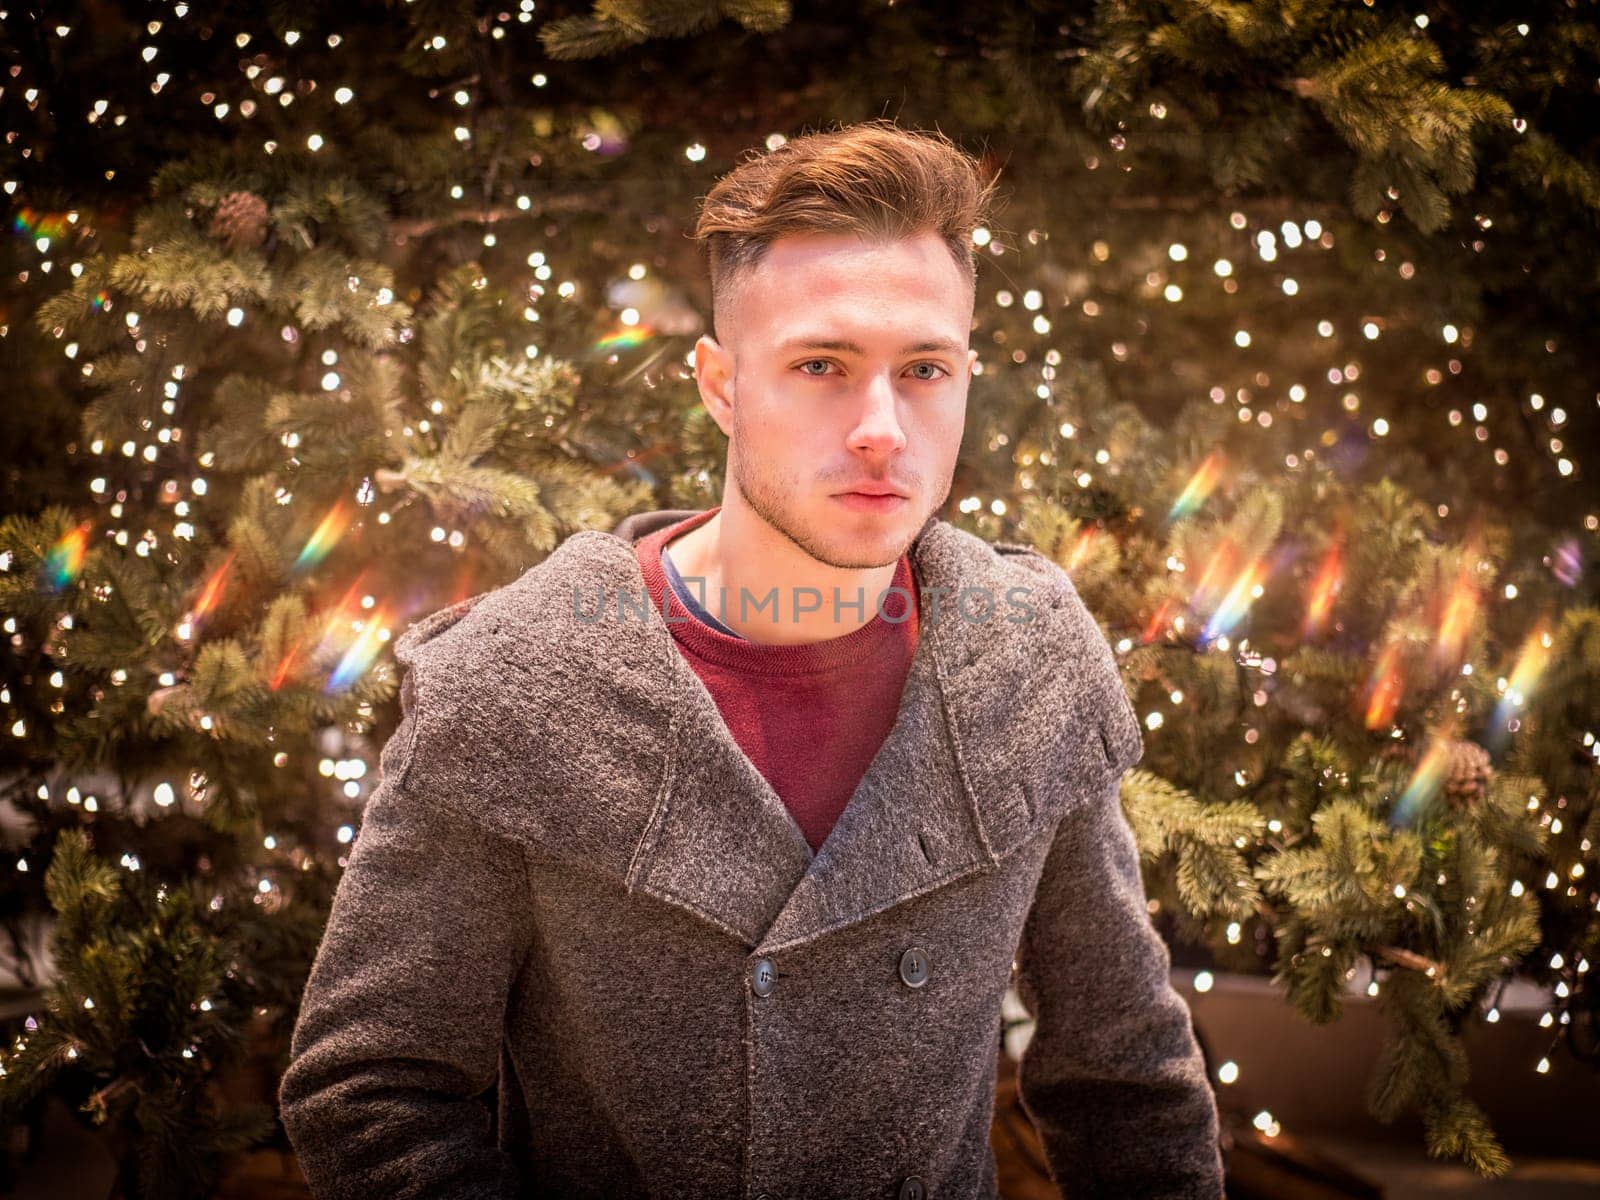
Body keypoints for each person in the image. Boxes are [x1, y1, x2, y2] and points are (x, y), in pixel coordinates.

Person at [279, 118, 1226, 1199]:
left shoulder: (1027, 655)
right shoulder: (512, 686)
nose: (880, 427)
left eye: (923, 368)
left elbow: (1128, 1081)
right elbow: (371, 1085)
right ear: (721, 386)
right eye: (820, 365)